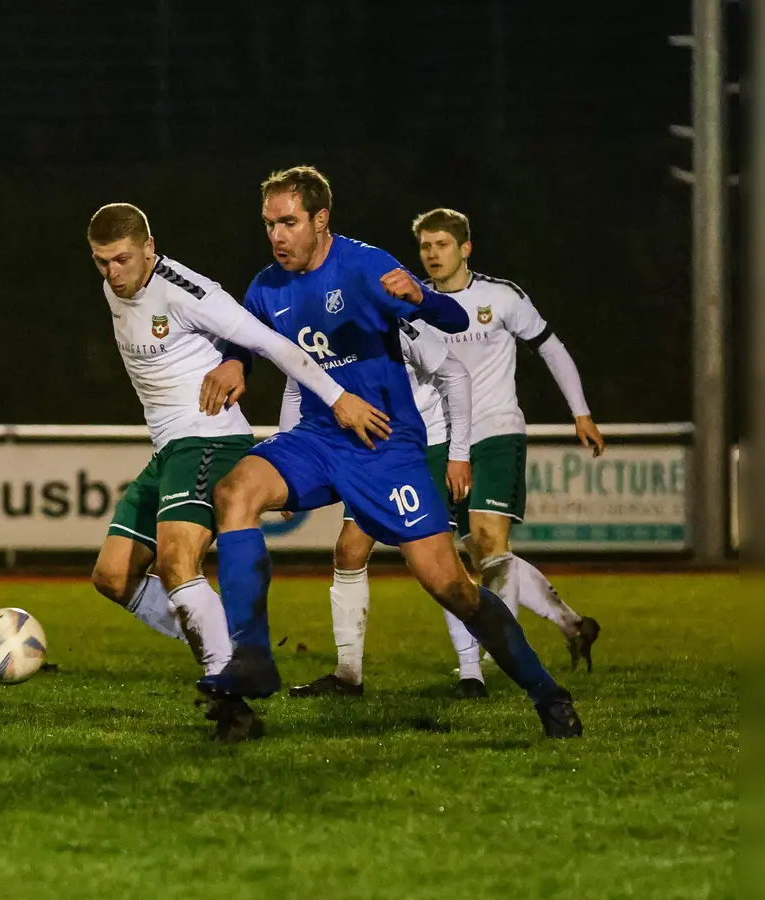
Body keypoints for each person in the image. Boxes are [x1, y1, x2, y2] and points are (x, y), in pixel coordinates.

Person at [204, 166, 582, 738]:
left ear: (320, 219)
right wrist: (236, 361)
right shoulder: (266, 286)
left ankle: (547, 693)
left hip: (386, 447)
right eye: (268, 224)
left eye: (288, 222)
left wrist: (423, 297)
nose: (277, 235)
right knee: (234, 492)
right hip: (318, 437)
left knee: (451, 586)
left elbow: (452, 318)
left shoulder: (365, 264)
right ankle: (253, 657)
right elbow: (248, 340)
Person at [83, 203, 387, 741]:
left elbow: (272, 342)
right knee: (112, 576)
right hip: (168, 449)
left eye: (122, 260)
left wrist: (337, 398)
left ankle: (232, 697)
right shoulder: (116, 286)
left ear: (150, 248)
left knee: (178, 560)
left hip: (209, 438)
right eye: (101, 262)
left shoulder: (188, 291)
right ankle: (228, 647)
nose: (112, 273)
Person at [414, 208, 603, 671]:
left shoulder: (500, 297)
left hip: (497, 429)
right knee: (473, 556)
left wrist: (581, 412)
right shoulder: (415, 304)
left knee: (487, 539)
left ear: (465, 248)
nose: (432, 254)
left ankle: (500, 653)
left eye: (441, 245)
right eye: (425, 246)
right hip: (444, 438)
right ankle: (573, 625)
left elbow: (550, 346)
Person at [284, 319, 482, 698]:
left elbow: (455, 374)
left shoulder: (393, 320)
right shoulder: (315, 321)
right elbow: (296, 389)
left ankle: (473, 672)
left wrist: (458, 455)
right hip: (372, 451)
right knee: (349, 550)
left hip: (421, 447)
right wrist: (289, 459)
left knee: (437, 566)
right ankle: (348, 675)